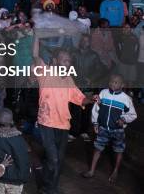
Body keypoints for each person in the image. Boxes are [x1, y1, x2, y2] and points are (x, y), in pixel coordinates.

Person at [32, 44, 94, 194]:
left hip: (63, 124)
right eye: (64, 60)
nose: (67, 63)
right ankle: (48, 188)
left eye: (69, 61)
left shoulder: (68, 79)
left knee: (58, 160)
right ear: (54, 61)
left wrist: (92, 98)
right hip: (46, 123)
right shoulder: (45, 72)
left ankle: (50, 187)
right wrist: (37, 33)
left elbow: (79, 99)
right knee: (53, 159)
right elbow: (35, 55)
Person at [82, 74, 137, 183]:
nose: (113, 83)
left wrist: (123, 119)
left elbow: (133, 114)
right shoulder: (103, 94)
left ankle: (115, 171)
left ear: (122, 85)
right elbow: (96, 109)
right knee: (97, 148)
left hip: (118, 130)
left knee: (118, 150)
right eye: (111, 81)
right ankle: (91, 170)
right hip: (103, 128)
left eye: (116, 82)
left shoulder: (126, 99)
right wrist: (95, 123)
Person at [0, 109, 30, 194]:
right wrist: (24, 178)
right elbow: (24, 161)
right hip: (16, 181)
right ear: (12, 121)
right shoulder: (19, 138)